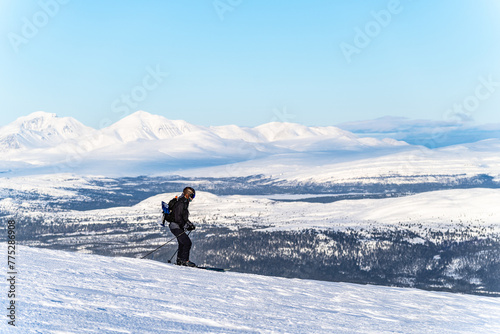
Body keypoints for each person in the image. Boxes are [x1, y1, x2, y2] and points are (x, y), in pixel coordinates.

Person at [169, 187, 196, 267]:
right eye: (192, 196)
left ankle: (180, 260)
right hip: (175, 226)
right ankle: (184, 261)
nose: (192, 198)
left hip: (177, 226)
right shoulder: (181, 203)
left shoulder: (184, 202)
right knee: (187, 242)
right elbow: (178, 218)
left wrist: (189, 224)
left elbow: (183, 217)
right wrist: (185, 225)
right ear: (187, 195)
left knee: (182, 243)